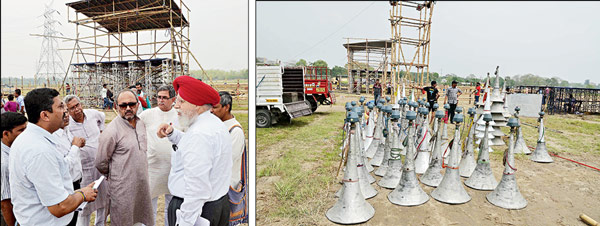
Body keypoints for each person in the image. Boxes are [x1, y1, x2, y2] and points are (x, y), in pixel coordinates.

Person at [9, 88, 97, 225]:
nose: (65, 112)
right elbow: (59, 206)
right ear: (45, 115)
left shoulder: (31, 139)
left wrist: (77, 192)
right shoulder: (40, 151)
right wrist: (83, 195)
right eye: (61, 106)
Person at [157, 75, 232, 226]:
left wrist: (185, 221)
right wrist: (174, 134)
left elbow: (197, 187)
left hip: (198, 210)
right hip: (218, 204)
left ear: (197, 105)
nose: (175, 106)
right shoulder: (213, 124)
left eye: (181, 101)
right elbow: (200, 150)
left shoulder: (199, 134)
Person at [95, 90, 153, 226]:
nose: (128, 108)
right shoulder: (111, 131)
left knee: (141, 218)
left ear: (138, 105)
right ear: (116, 106)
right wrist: (117, 175)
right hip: (122, 189)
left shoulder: (140, 123)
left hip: (142, 185)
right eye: (123, 105)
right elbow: (100, 162)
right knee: (123, 220)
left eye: (131, 104)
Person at [64, 95, 109, 226]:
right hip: (84, 171)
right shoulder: (68, 125)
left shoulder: (93, 114)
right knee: (84, 207)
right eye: (72, 108)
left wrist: (101, 131)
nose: (76, 109)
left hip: (101, 167)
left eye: (77, 105)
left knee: (103, 203)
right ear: (68, 111)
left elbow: (103, 118)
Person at [139, 85, 177, 226]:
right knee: (149, 205)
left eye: (164, 97)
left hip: (173, 168)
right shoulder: (147, 114)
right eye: (158, 97)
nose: (160, 100)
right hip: (152, 167)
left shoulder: (179, 115)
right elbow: (134, 129)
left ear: (173, 99)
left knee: (171, 204)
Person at [211, 91, 248, 225]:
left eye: (215, 107)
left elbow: (226, 161)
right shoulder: (217, 126)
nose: (211, 111)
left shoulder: (235, 130)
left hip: (228, 186)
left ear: (226, 107)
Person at [53, 110, 86, 226]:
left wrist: (78, 144)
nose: (66, 116)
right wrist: (75, 147)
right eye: (62, 113)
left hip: (76, 182)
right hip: (66, 185)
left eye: (66, 112)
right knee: (67, 221)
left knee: (74, 218)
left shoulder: (66, 130)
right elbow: (63, 166)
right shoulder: (54, 138)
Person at [1, 112, 27, 226]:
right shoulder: (4, 163)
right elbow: (5, 202)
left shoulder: (15, 150)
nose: (26, 134)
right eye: (21, 131)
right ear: (6, 134)